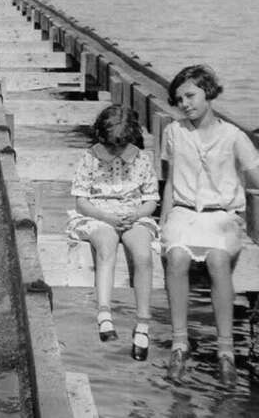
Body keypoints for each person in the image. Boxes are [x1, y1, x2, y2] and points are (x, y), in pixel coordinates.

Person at [160, 64, 259, 387]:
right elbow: (171, 180)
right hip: (185, 214)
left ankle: (225, 351)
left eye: (191, 95)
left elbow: (255, 176)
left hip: (222, 217)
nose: (185, 103)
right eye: (179, 99)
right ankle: (179, 344)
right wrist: (162, 222)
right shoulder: (174, 132)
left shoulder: (233, 136)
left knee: (218, 260)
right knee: (176, 257)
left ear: (208, 93)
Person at [64, 104, 158, 360]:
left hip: (132, 215)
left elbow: (151, 200)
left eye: (120, 145)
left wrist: (137, 215)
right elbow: (81, 201)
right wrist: (105, 216)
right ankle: (104, 313)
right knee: (106, 245)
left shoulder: (141, 159)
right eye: (110, 145)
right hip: (98, 215)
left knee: (143, 255)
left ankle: (142, 324)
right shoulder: (90, 157)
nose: (115, 151)